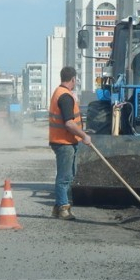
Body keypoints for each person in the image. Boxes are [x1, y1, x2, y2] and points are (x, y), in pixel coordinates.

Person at [49, 66, 92, 220]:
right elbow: (69, 123)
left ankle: (58, 207)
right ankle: (63, 209)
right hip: (64, 142)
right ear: (73, 79)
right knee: (65, 177)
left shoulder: (59, 92)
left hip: (63, 140)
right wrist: (84, 135)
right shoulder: (65, 97)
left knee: (68, 175)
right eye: (76, 80)